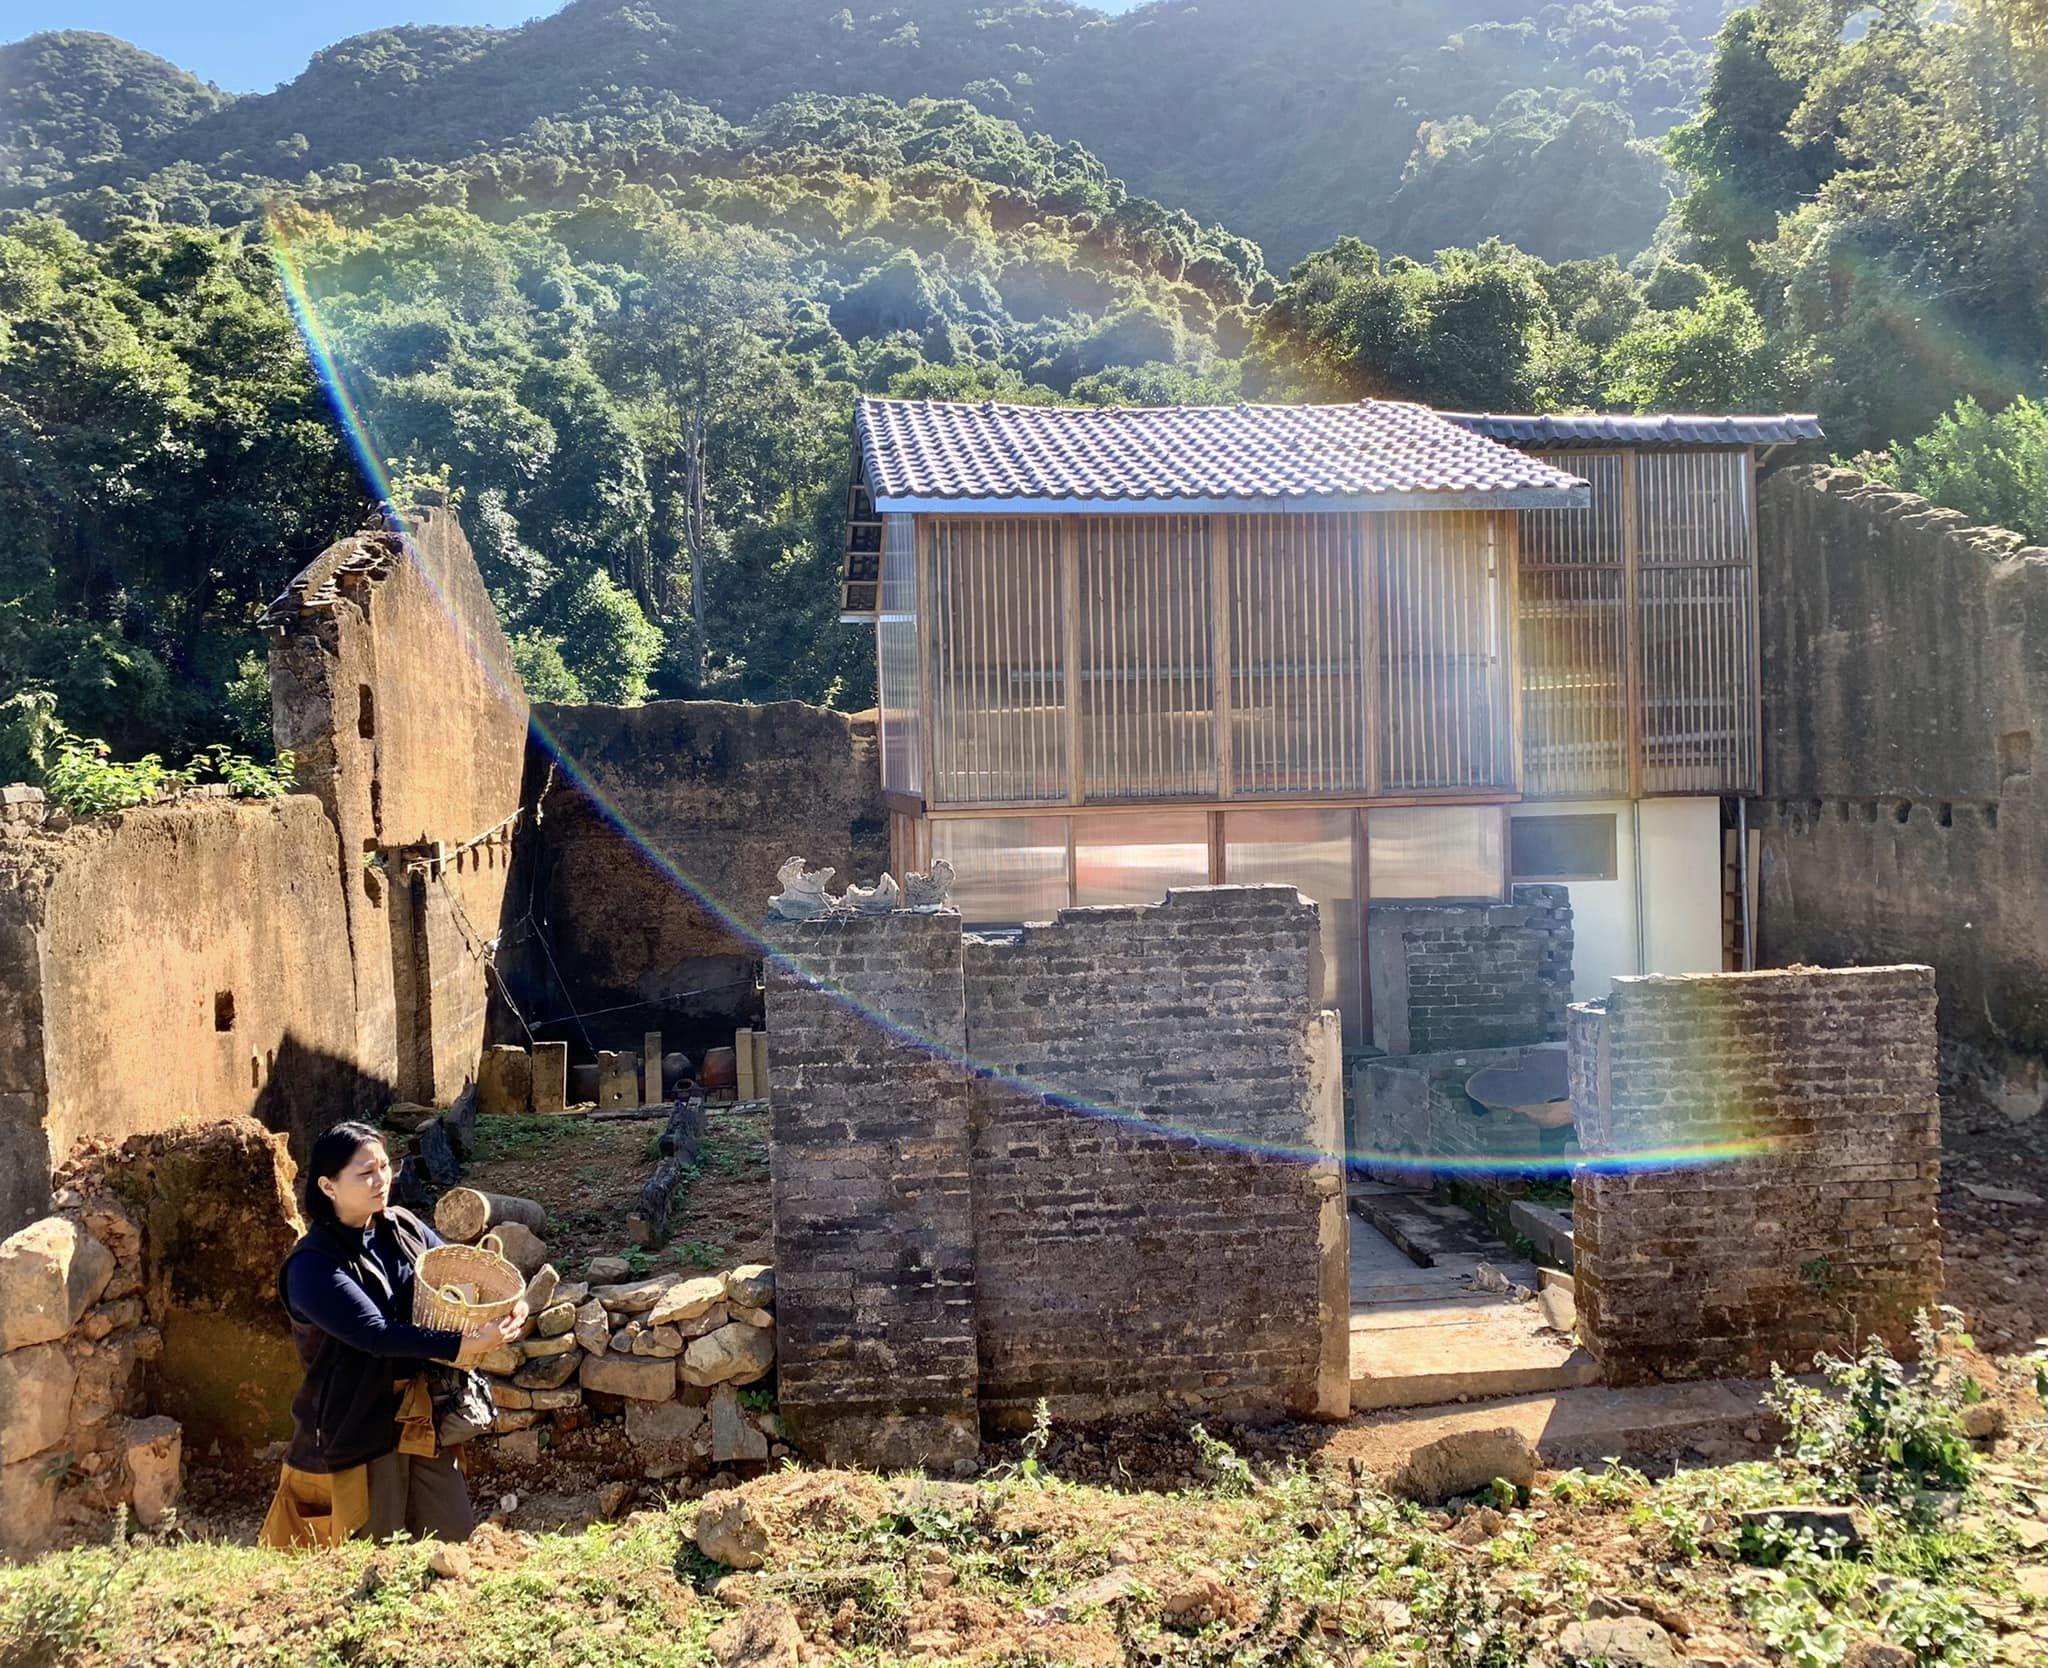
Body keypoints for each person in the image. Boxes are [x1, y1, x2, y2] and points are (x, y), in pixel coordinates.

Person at [259, 1121, 525, 1548]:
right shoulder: (313, 1265)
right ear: (328, 1187)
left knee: (451, 1537)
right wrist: (463, 1346)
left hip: (421, 1415)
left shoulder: (400, 1226)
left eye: (384, 1166)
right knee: (375, 1551)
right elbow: (375, 1336)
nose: (380, 1180)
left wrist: (509, 1303)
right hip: (359, 1423)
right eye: (365, 1173)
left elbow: (452, 1274)